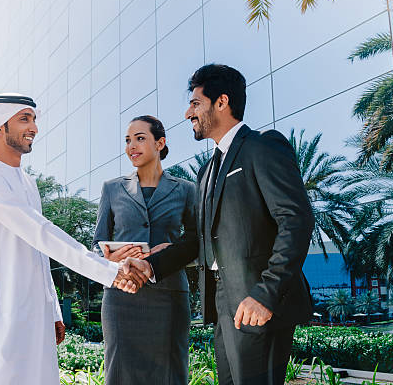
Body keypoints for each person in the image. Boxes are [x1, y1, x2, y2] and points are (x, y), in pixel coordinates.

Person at [0, 93, 150, 385]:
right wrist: (109, 271)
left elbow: (39, 250)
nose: (34, 127)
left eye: (34, 119)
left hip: (34, 313)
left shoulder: (26, 181)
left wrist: (51, 309)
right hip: (0, 313)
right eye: (24, 119)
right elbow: (40, 231)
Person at [123, 64, 315, 385]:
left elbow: (296, 221)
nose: (187, 113)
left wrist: (266, 293)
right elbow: (196, 240)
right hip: (223, 305)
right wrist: (150, 265)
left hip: (259, 302)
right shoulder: (207, 171)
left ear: (222, 102)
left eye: (195, 103)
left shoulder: (263, 146)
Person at [92, 115, 196, 384]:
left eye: (140, 138)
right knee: (120, 373)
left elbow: (197, 241)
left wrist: (169, 249)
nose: (131, 146)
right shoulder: (112, 189)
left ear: (160, 143)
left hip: (169, 296)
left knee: (170, 374)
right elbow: (96, 245)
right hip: (121, 296)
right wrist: (109, 257)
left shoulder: (186, 190)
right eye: (128, 140)